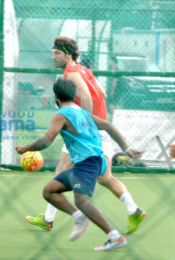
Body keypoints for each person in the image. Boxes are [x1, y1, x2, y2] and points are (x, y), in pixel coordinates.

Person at [26, 36, 146, 235]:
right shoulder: (84, 70)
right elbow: (102, 94)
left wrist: (84, 124)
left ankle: (48, 219)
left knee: (62, 169)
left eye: (57, 53)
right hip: (99, 127)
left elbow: (88, 97)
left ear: (68, 54)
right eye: (52, 52)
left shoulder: (71, 73)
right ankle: (134, 210)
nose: (53, 56)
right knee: (105, 177)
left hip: (85, 130)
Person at [16, 78, 143, 250]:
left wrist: (25, 149)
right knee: (49, 191)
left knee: (83, 202)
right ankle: (78, 216)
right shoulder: (82, 113)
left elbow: (46, 141)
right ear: (73, 96)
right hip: (88, 164)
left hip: (87, 164)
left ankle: (115, 237)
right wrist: (126, 149)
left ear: (56, 98)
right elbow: (107, 125)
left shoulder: (61, 115)